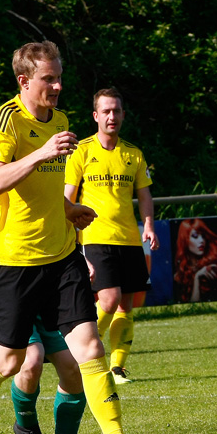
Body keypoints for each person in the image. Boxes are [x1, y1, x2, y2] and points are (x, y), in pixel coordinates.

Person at [0, 41, 158, 434]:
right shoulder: (5, 120)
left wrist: (70, 210)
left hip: (63, 257)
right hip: (14, 262)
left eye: (58, 77)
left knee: (89, 348)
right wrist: (42, 153)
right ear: (24, 81)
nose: (56, 86)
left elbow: (47, 192)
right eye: (47, 79)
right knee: (10, 361)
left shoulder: (64, 121)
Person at [0, 107, 96, 434]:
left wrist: (76, 252)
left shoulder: (38, 168)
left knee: (73, 365)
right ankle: (28, 431)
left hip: (43, 278)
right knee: (27, 359)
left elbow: (53, 215)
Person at [64, 88, 158, 385]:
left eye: (116, 111)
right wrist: (68, 228)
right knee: (109, 299)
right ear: (95, 116)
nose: (112, 116)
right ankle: (85, 351)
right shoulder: (81, 151)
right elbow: (67, 195)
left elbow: (144, 195)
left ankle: (117, 368)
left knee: (125, 305)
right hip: (95, 237)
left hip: (129, 238)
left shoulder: (133, 153)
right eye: (106, 111)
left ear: (123, 115)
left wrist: (149, 225)